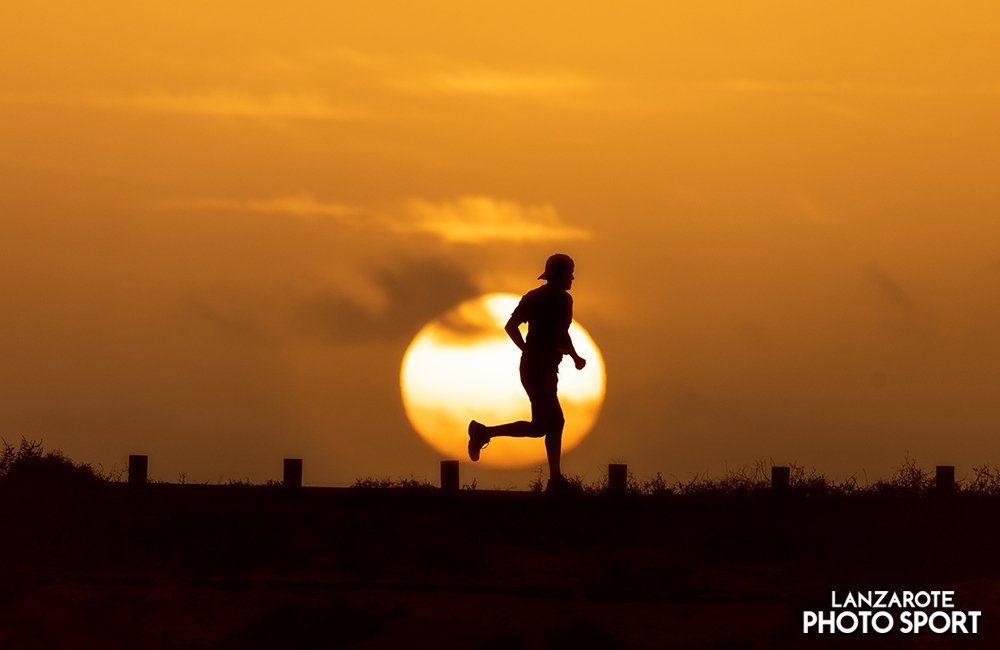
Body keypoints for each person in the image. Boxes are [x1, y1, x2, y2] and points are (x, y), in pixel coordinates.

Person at [468, 254, 586, 491]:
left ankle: (485, 433)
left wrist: (527, 350)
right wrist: (575, 357)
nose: (573, 277)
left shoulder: (533, 297)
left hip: (532, 367)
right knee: (551, 423)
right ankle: (555, 481)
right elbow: (561, 332)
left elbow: (510, 327)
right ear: (562, 275)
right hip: (541, 370)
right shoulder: (563, 300)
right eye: (571, 272)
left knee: (544, 425)